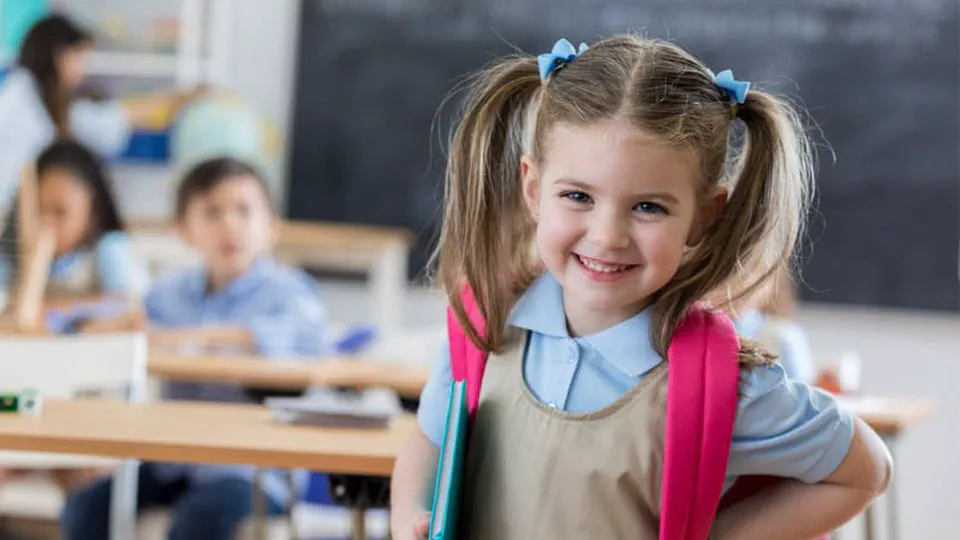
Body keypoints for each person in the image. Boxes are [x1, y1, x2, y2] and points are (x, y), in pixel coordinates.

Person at [390, 36, 892, 539]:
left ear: (704, 216)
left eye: (648, 207)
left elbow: (867, 469)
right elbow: (429, 440)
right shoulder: (483, 324)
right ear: (533, 189)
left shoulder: (721, 384)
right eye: (578, 196)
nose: (608, 235)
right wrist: (411, 514)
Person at [60, 157, 331, 540]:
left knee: (195, 523)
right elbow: (105, 319)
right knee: (86, 507)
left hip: (250, 471)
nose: (229, 225)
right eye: (212, 213)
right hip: (174, 462)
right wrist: (105, 325)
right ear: (185, 230)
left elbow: (307, 339)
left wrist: (178, 339)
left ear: (271, 227)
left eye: (243, 210)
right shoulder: (171, 292)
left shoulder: (289, 291)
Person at [0, 13, 198, 221]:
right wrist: (186, 97)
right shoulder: (31, 102)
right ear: (59, 56)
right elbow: (113, 118)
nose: (82, 69)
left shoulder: (21, 91)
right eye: (79, 57)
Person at [0, 139, 147, 302]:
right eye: (37, 210)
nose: (46, 223)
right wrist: (31, 267)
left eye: (60, 212)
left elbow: (132, 308)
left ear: (93, 213)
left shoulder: (110, 250)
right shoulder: (9, 259)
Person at [728, 265, 817, 383]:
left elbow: (800, 392)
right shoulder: (702, 331)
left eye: (746, 275)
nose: (735, 283)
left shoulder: (786, 336)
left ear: (770, 284)